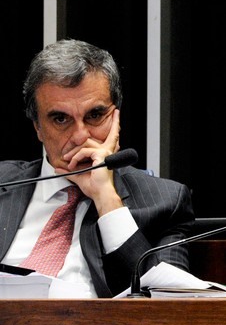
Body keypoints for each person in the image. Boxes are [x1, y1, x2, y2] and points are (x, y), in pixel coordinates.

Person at [0, 39, 195, 298]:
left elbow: (171, 306)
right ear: (37, 127)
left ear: (116, 117)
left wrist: (106, 199)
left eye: (94, 116)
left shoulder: (165, 203)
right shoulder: (4, 183)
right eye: (61, 119)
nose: (80, 136)